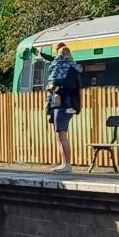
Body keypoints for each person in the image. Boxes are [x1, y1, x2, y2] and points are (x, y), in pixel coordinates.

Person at [46, 44, 82, 173]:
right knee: (59, 135)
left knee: (61, 134)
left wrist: (55, 88)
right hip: (60, 104)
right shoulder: (69, 67)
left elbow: (67, 86)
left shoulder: (65, 67)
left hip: (63, 104)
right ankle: (64, 163)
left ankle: (67, 164)